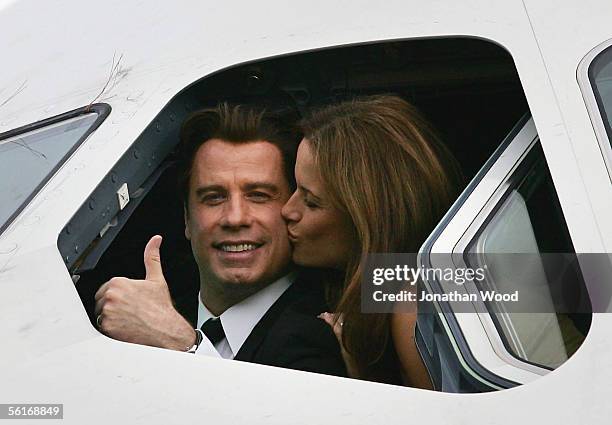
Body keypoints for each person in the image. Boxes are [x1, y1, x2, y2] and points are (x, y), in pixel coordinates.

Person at [94, 102, 346, 376]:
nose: (235, 218)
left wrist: (185, 346)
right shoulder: (143, 319)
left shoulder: (332, 330)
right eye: (213, 197)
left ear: (293, 209)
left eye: (259, 195)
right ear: (187, 219)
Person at [281, 94, 462, 386]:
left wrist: (365, 383)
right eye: (294, 189)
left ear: (367, 220)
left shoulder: (413, 307)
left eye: (311, 202)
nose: (287, 211)